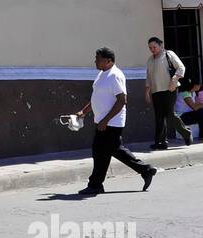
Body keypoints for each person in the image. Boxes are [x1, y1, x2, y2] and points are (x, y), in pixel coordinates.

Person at [74, 46, 157, 195]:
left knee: (100, 151)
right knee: (112, 150)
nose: (95, 61)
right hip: (103, 122)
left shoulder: (115, 75)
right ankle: (145, 170)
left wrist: (105, 120)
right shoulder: (101, 75)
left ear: (108, 61)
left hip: (112, 123)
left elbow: (121, 100)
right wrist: (83, 112)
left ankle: (95, 184)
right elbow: (96, 98)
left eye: (98, 59)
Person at [145, 36, 189, 149]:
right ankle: (160, 142)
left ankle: (186, 133)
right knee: (159, 117)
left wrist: (175, 79)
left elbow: (181, 67)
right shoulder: (150, 60)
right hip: (156, 91)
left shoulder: (168, 54)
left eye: (154, 47)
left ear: (160, 45)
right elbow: (149, 76)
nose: (152, 49)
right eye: (150, 48)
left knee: (170, 114)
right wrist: (147, 91)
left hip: (170, 89)